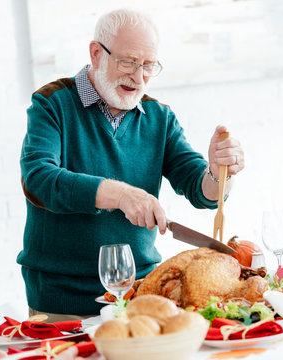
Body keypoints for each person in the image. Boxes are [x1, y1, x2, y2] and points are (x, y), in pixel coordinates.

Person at [18, 8, 245, 320]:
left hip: (142, 295)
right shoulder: (52, 104)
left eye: (148, 66)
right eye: (128, 62)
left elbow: (201, 190)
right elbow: (39, 180)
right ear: (96, 53)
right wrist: (121, 195)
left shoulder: (159, 118)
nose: (139, 78)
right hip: (62, 304)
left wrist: (221, 171)